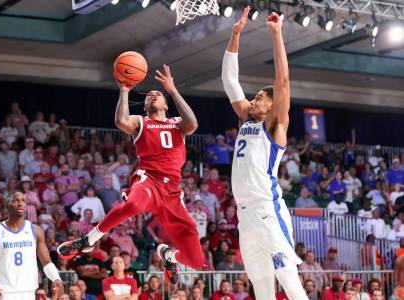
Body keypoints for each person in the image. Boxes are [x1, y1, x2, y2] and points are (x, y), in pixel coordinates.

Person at [58, 63, 202, 286]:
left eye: (158, 94)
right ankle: (89, 239)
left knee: (195, 260)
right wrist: (124, 91)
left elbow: (193, 123)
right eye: (149, 95)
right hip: (149, 179)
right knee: (134, 206)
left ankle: (168, 256)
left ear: (166, 105)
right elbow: (120, 121)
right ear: (145, 106)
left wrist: (172, 90)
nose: (153, 95)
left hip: (172, 191)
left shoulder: (177, 124)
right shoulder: (141, 122)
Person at [221, 7, 308, 299]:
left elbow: (282, 83)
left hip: (267, 209)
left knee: (288, 279)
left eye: (260, 96)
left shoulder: (275, 125)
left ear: (271, 106)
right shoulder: (247, 118)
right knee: (260, 286)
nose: (254, 97)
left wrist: (276, 33)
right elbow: (229, 80)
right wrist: (235, 36)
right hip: (245, 216)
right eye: (255, 95)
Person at [0, 191, 64, 300]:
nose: (20, 203)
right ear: (7, 205)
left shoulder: (36, 230)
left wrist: (56, 278)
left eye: (23, 200)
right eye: (16, 201)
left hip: (29, 292)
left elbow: (46, 262)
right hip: (4, 293)